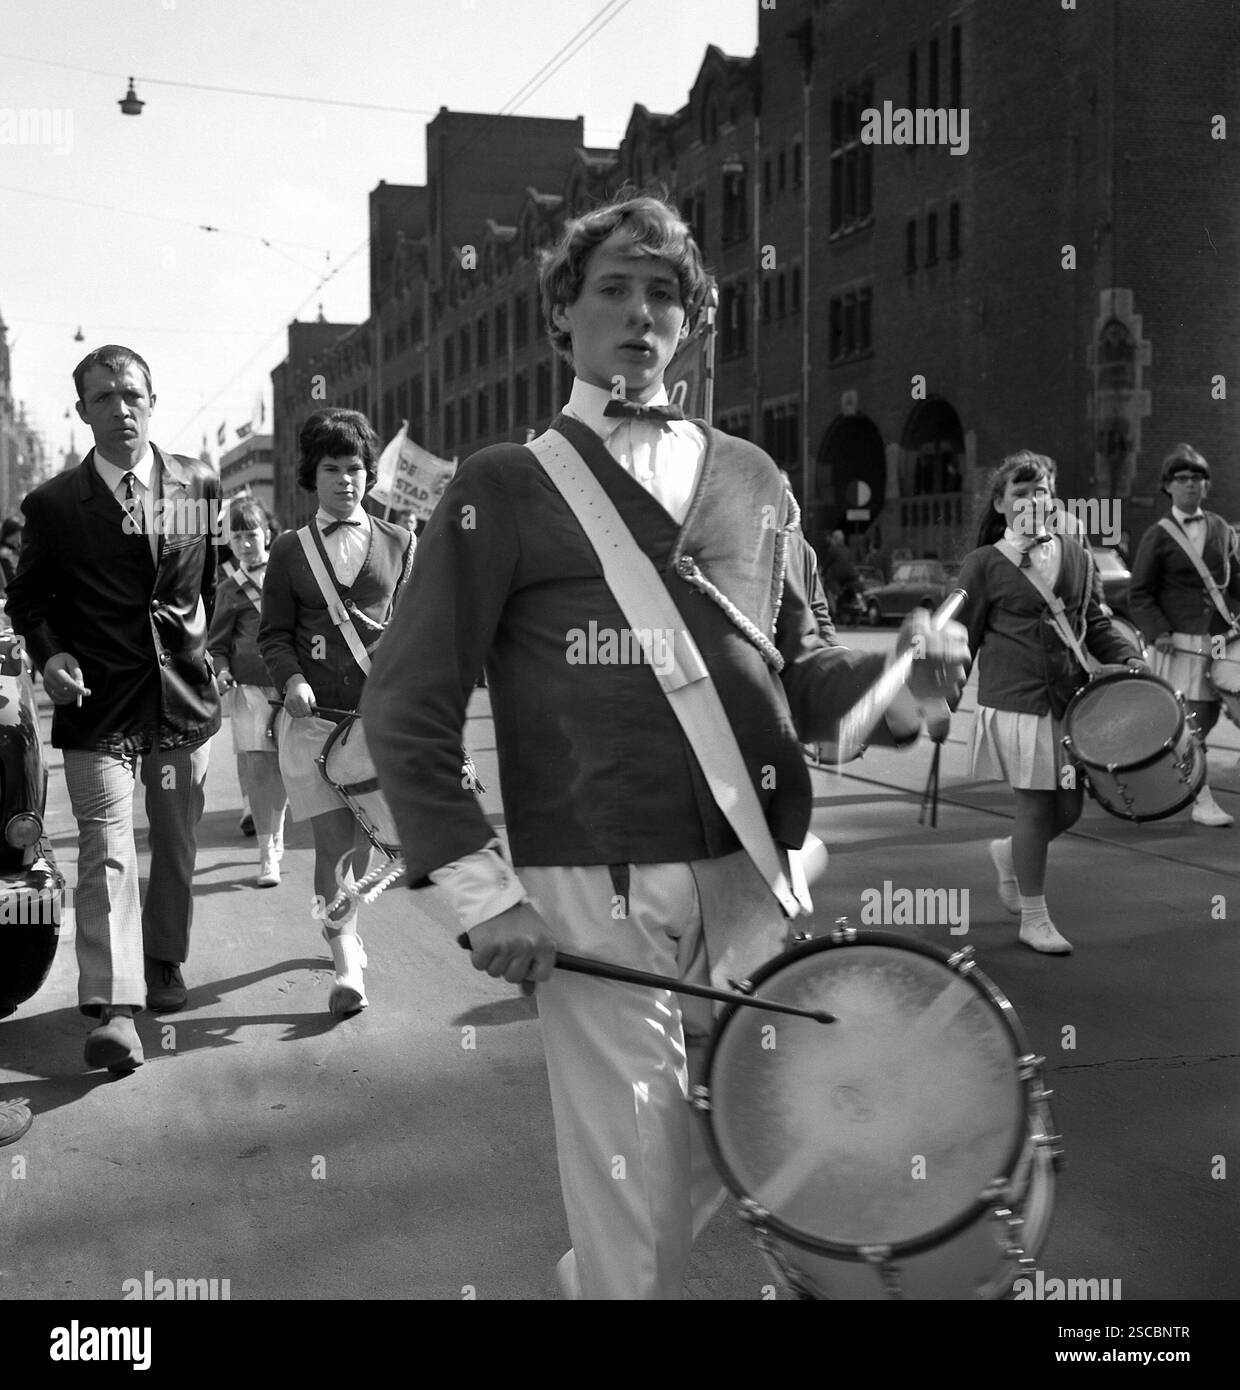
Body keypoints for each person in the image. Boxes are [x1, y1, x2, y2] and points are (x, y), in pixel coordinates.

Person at [361, 193, 968, 1300]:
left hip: (754, 868)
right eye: (614, 289)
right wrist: (482, 890)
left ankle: (599, 1275)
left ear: (690, 321)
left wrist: (902, 677)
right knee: (637, 1175)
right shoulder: (502, 484)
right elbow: (406, 702)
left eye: (665, 293)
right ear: (563, 315)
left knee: (773, 1131)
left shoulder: (755, 478)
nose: (641, 313)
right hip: (594, 877)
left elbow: (806, 664)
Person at [6, 344, 220, 1073]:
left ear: (153, 399)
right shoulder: (56, 506)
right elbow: (28, 600)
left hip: (183, 702)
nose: (120, 408)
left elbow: (206, 589)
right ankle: (113, 1007)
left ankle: (163, 958)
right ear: (82, 412)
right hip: (100, 709)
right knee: (105, 848)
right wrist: (52, 656)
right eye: (103, 397)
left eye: (131, 394)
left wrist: (201, 653)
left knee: (176, 845)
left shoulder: (197, 483)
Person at [258, 408, 414, 1015]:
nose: (345, 480)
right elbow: (273, 634)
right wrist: (291, 677)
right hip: (314, 724)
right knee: (333, 848)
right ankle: (344, 958)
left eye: (355, 469)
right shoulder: (288, 551)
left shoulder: (401, 542)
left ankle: (345, 926)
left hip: (375, 727)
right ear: (311, 476)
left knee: (369, 848)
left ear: (369, 475)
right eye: (332, 469)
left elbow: (414, 629)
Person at [955, 450, 1143, 955]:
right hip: (1017, 704)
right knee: (1037, 808)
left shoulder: (1077, 555)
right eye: (1021, 492)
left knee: (1070, 807)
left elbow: (1095, 624)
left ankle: (1009, 853)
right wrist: (940, 705)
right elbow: (960, 642)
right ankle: (1033, 918)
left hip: (1070, 699)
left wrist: (1129, 659)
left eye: (1042, 491)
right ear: (1000, 503)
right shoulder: (983, 564)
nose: (1034, 500)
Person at [1129, 446, 1240, 827]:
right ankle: (1201, 798)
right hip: (1177, 643)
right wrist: (1157, 631)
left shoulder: (1222, 528)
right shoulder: (1157, 535)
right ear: (1168, 487)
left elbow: (1236, 583)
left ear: (1206, 487)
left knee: (1218, 710)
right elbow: (1139, 592)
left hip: (1221, 640)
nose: (1190, 485)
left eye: (1197, 479)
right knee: (1190, 721)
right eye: (1182, 479)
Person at [208, 498, 288, 886]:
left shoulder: (290, 575)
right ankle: (266, 852)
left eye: (251, 534)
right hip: (249, 693)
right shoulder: (228, 588)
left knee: (285, 769)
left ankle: (279, 829)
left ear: (266, 534)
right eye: (237, 536)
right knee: (258, 768)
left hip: (291, 687)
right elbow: (217, 643)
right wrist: (221, 671)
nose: (244, 543)